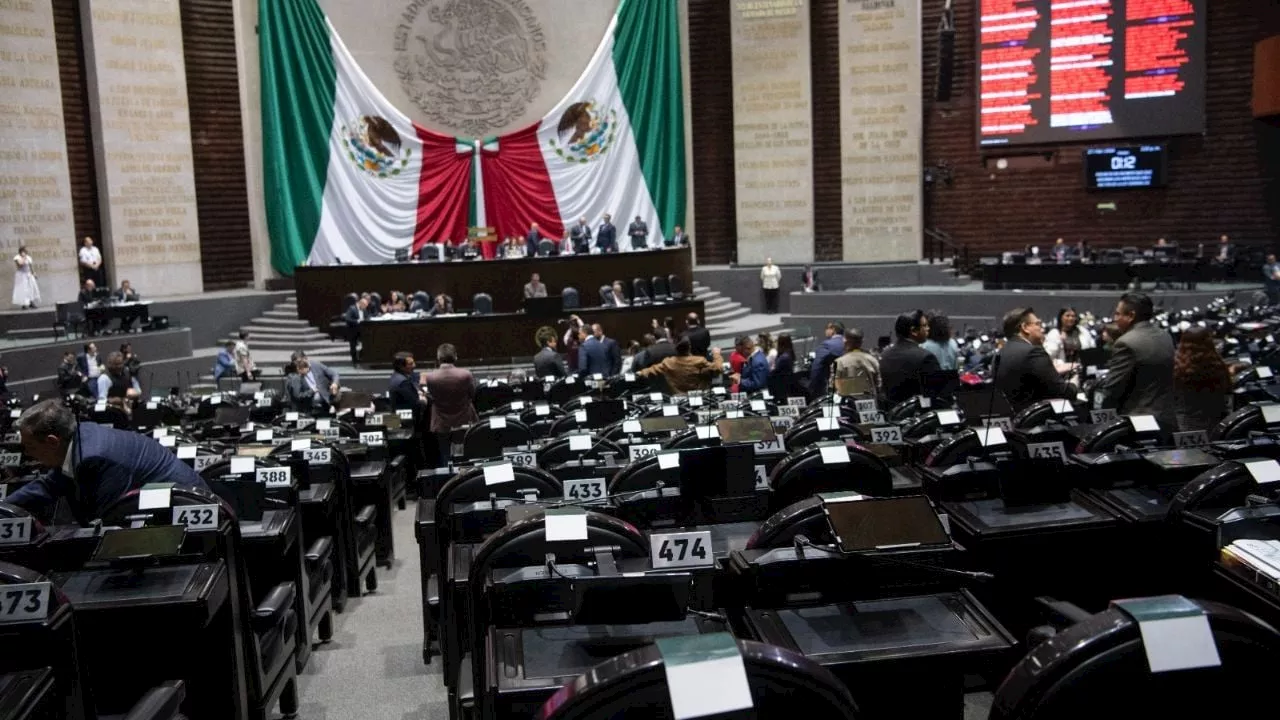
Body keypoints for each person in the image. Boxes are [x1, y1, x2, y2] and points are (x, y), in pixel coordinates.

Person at [7, 400, 210, 525]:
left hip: (187, 507)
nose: (27, 454)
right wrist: (5, 508)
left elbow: (105, 521)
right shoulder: (79, 436)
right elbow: (49, 485)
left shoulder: (94, 459)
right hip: (165, 503)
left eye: (30, 447)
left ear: (52, 441)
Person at [1095, 292, 1176, 428]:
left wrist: (1100, 418)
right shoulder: (1165, 336)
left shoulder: (1126, 342)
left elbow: (1112, 390)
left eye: (1118, 314)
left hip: (1138, 422)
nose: (1115, 318)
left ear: (1131, 316)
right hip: (1167, 418)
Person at [994, 307, 1076, 412]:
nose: (1041, 329)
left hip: (1013, 418)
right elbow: (1062, 392)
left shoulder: (999, 354)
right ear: (1025, 328)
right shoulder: (1033, 352)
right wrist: (1074, 382)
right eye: (1038, 324)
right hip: (1038, 420)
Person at [423, 344, 478, 463]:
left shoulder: (430, 377)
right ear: (455, 357)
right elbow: (472, 395)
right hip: (464, 418)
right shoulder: (466, 375)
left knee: (445, 453)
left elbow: (432, 397)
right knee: (465, 451)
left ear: (438, 358)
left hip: (441, 421)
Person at [1172, 326, 1231, 432]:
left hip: (1185, 423)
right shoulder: (1217, 365)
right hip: (1214, 422)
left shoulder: (1176, 367)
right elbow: (1227, 390)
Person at [879, 311, 941, 407]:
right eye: (924, 326)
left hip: (891, 414)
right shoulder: (926, 357)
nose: (928, 329)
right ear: (913, 331)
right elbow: (936, 394)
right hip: (916, 414)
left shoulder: (884, 354)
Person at [637, 338, 724, 394]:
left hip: (679, 400)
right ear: (689, 347)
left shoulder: (669, 362)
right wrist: (716, 354)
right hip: (698, 398)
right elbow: (717, 368)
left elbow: (652, 370)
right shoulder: (699, 360)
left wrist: (639, 373)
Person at [833, 328, 880, 397]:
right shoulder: (873, 360)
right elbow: (879, 385)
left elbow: (835, 388)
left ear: (845, 341)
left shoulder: (839, 362)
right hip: (870, 402)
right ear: (861, 342)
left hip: (848, 404)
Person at [808, 322, 846, 397]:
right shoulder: (848, 343)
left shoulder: (826, 345)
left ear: (833, 330)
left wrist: (812, 387)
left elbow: (817, 367)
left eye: (826, 328)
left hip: (834, 388)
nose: (825, 331)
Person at [345, 296, 368, 365]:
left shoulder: (364, 309)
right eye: (364, 306)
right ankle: (354, 361)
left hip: (362, 331)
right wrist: (357, 321)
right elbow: (347, 319)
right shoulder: (352, 309)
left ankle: (362, 358)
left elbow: (367, 316)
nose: (365, 308)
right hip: (353, 331)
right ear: (361, 304)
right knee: (353, 346)